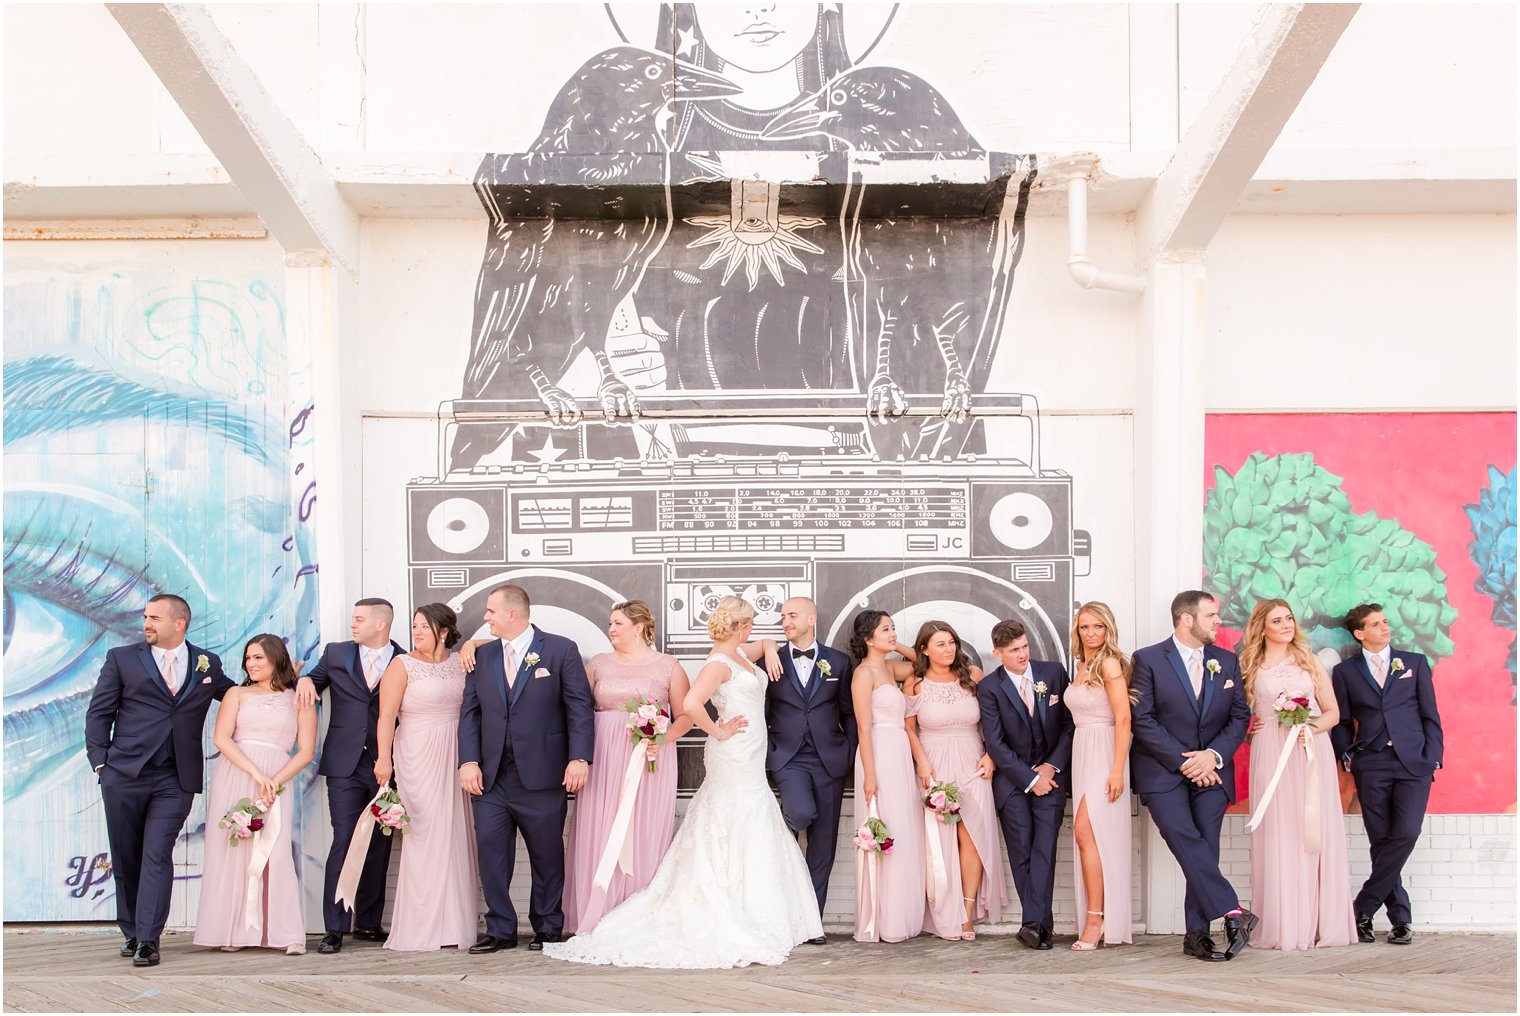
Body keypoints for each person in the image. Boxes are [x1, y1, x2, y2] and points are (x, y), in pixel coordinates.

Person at [545, 596, 823, 968]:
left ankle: (753, 904)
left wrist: (771, 647)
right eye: (751, 624)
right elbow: (691, 705)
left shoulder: (741, 654)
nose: (755, 630)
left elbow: (763, 647)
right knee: (732, 814)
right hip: (733, 752)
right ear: (740, 627)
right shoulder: (719, 662)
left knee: (752, 817)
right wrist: (717, 731)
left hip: (752, 753)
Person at [85, 594, 236, 967]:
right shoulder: (122, 659)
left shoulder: (207, 663)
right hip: (124, 774)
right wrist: (101, 763)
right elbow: (99, 713)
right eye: (145, 617)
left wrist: (285, 681)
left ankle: (149, 939)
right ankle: (132, 931)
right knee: (126, 856)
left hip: (176, 777)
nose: (146, 624)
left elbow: (235, 694)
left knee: (157, 852)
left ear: (179, 623)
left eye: (154, 617)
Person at [562, 600, 720, 933]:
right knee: (599, 829)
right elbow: (577, 711)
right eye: (610, 623)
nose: (611, 629)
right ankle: (595, 914)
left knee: (642, 830)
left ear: (639, 628)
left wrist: (662, 740)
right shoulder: (598, 665)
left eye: (618, 623)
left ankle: (638, 913)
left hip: (649, 759)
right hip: (603, 757)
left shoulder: (668, 666)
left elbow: (686, 716)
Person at [458, 584, 595, 953]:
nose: (485, 618)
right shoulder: (481, 657)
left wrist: (579, 757)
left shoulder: (560, 649)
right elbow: (470, 713)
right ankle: (500, 929)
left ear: (512, 614)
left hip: (543, 774)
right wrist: (468, 761)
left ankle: (548, 925)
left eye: (490, 611)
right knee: (491, 851)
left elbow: (578, 708)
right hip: (490, 778)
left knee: (547, 853)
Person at [1130, 590, 1256, 961]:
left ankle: (1197, 936)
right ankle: (1233, 911)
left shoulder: (1226, 661)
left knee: (1205, 848)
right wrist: (1186, 762)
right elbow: (1144, 720)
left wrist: (1211, 757)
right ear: (1187, 619)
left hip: (1213, 772)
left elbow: (1239, 717)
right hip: (1163, 770)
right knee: (1184, 837)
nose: (1218, 622)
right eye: (1211, 615)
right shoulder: (1148, 659)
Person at [1240, 599, 1355, 951]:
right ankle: (1282, 922)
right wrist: (1250, 729)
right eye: (1277, 620)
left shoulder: (1310, 661)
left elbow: (1333, 713)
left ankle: (1318, 922)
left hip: (1308, 750)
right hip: (1270, 752)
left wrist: (1310, 727)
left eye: (1289, 617)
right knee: (1278, 832)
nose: (1287, 624)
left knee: (1310, 831)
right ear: (1263, 627)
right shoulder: (1249, 666)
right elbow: (1235, 717)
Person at [293, 597, 406, 954]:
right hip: (344, 764)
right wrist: (304, 681)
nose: (352, 624)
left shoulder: (404, 659)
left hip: (387, 763)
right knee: (344, 839)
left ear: (380, 624)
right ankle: (335, 927)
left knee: (380, 842)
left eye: (358, 619)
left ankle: (369, 923)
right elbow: (314, 679)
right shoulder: (337, 653)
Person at [194, 635, 316, 953]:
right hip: (238, 773)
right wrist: (257, 774)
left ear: (276, 658)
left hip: (278, 778)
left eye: (259, 657)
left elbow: (305, 751)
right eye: (248, 658)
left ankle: (286, 934)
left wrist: (274, 781)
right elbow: (222, 739)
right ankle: (235, 933)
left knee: (274, 852)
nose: (252, 663)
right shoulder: (236, 693)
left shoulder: (298, 697)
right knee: (234, 850)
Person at [1330, 603, 1443, 946]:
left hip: (1414, 762)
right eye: (1376, 624)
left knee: (1406, 833)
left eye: (1385, 622)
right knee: (1381, 841)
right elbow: (1342, 720)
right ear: (1359, 633)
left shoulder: (1414, 663)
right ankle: (1400, 920)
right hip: (1372, 763)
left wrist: (1433, 756)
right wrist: (1347, 755)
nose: (1385, 628)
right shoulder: (1346, 672)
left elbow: (1430, 714)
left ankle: (1362, 908)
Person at [904, 620, 1004, 941]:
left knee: (972, 837)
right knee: (940, 839)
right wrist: (921, 761)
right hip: (934, 762)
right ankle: (945, 914)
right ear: (924, 650)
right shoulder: (915, 683)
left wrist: (992, 755)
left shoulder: (972, 676)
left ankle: (968, 915)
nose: (949, 650)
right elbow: (908, 729)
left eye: (951, 643)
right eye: (940, 644)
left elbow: (994, 717)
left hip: (973, 761)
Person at [979, 618, 1074, 951]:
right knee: (1021, 852)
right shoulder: (989, 687)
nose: (1022, 654)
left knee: (1044, 848)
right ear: (998, 653)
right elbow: (995, 743)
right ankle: (1039, 924)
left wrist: (1049, 768)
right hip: (1012, 782)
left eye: (1024, 647)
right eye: (1013, 650)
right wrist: (1030, 778)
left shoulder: (1053, 673)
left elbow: (1068, 725)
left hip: (1052, 778)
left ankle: (1033, 924)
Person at [765, 596, 857, 939]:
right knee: (800, 815)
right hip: (789, 759)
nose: (785, 622)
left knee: (823, 848)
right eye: (783, 617)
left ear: (811, 618)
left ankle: (810, 924)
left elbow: (849, 713)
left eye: (791, 616)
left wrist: (847, 752)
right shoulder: (769, 662)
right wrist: (769, 753)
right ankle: (784, 915)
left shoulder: (839, 662)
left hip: (830, 760)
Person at [848, 610, 925, 943]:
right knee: (884, 826)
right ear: (868, 638)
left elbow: (923, 665)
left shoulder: (890, 667)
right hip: (877, 751)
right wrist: (869, 774)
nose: (892, 633)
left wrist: (897, 644)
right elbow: (863, 727)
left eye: (893, 627)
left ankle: (903, 913)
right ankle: (882, 919)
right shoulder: (864, 674)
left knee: (904, 828)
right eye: (885, 629)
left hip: (899, 752)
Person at [1065, 602, 1133, 950]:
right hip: (1083, 749)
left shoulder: (1109, 664)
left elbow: (1123, 718)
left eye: (1097, 627)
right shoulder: (1080, 665)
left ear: (1108, 629)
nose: (1091, 633)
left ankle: (1097, 919)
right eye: (1084, 627)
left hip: (1105, 749)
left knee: (1085, 830)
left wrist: (1117, 769)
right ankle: (1097, 914)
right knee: (1088, 836)